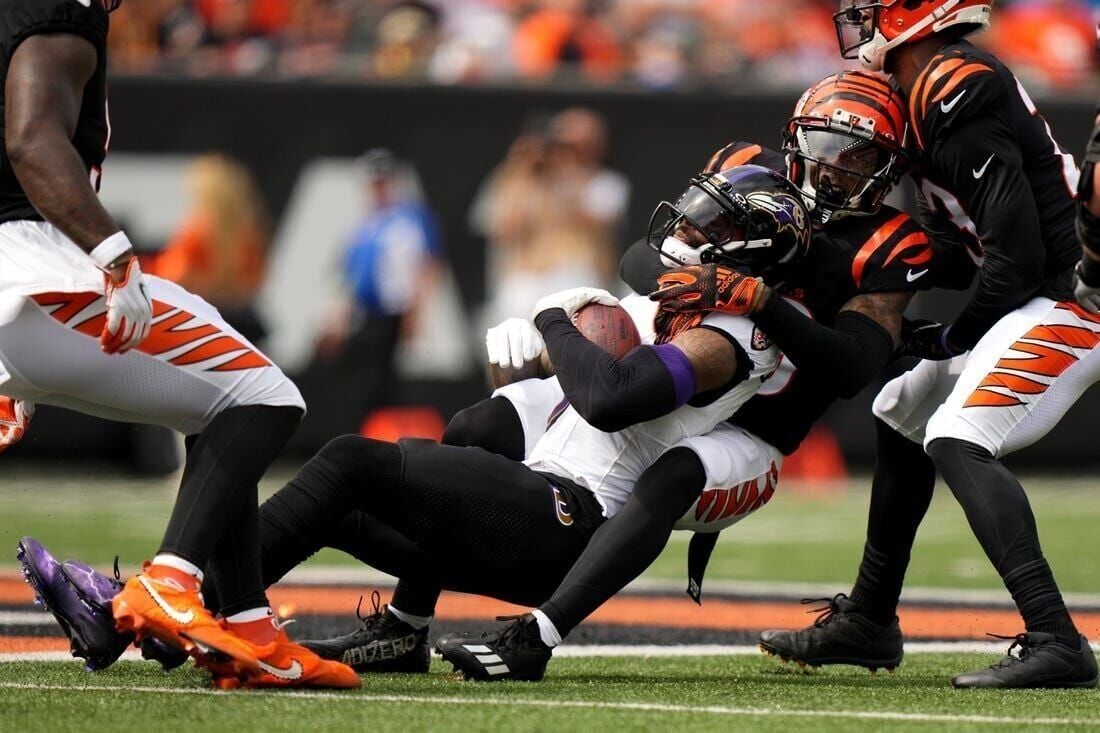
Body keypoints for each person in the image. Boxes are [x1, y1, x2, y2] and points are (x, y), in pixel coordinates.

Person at [25, 165, 807, 684]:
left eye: (706, 232)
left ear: (748, 252)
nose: (684, 237)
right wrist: (544, 355)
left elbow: (609, 397)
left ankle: (160, 601)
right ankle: (168, 621)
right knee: (392, 469)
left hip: (572, 520)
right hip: (540, 492)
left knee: (348, 461)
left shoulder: (731, 338)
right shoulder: (683, 301)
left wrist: (553, 321)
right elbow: (568, 374)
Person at [429, 70, 954, 682]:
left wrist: (760, 302)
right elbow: (641, 256)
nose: (842, 168)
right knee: (477, 423)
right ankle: (405, 622)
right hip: (670, 377)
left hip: (751, 433)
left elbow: (850, 367)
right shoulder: (749, 167)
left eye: (864, 157)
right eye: (831, 148)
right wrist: (698, 274)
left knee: (675, 471)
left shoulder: (888, 241)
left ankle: (539, 634)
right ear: (799, 139)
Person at [3, 0, 355, 689]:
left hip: (20, 284)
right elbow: (30, 139)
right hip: (36, 268)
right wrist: (110, 253)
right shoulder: (57, 9)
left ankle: (250, 630)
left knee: (217, 404)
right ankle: (171, 577)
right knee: (264, 395)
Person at [761, 0, 1099, 690]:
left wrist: (951, 334)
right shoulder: (921, 91)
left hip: (1078, 298)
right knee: (901, 407)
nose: (861, 21)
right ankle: (871, 619)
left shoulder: (949, 83)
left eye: (876, 8)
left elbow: (1016, 257)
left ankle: (1057, 638)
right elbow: (973, 245)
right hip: (1043, 289)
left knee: (955, 433)